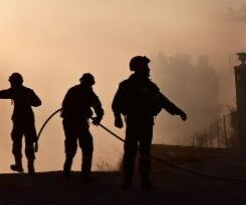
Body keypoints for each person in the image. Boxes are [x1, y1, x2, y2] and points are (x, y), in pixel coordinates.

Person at [111, 55, 187, 190]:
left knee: (145, 153)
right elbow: (116, 103)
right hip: (134, 122)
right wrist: (117, 117)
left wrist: (178, 112)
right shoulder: (127, 85)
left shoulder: (149, 86)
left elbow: (163, 101)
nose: (148, 69)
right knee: (130, 152)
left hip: (146, 122)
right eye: (145, 66)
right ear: (138, 68)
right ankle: (128, 181)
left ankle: (144, 181)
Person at [0, 72, 42, 173]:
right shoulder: (29, 91)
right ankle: (30, 167)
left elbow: (1, 94)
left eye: (11, 82)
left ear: (14, 82)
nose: (10, 83)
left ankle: (19, 165)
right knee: (29, 143)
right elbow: (38, 102)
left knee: (17, 143)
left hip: (19, 120)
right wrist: (28, 101)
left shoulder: (14, 91)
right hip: (29, 120)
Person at [60, 72, 104, 182]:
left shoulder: (73, 90)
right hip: (77, 123)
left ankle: (66, 174)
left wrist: (97, 117)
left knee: (71, 146)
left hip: (70, 122)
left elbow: (64, 106)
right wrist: (98, 117)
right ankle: (84, 176)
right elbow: (98, 107)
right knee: (87, 146)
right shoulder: (88, 93)